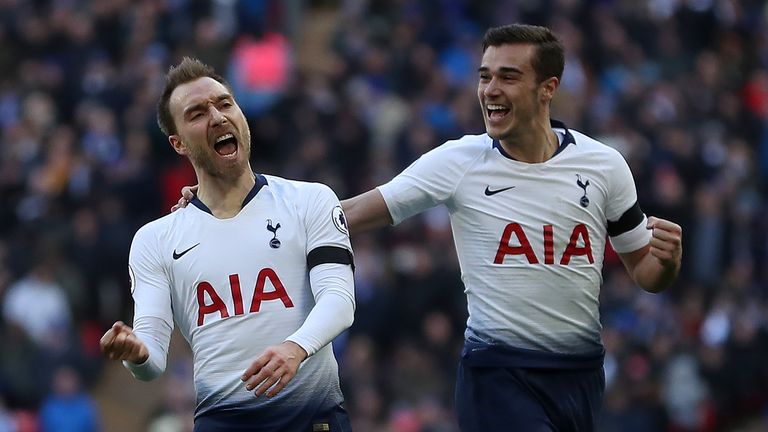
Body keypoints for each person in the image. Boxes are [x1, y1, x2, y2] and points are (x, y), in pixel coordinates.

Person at [176, 24, 683, 431]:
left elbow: (645, 270)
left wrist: (668, 260)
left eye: (507, 77)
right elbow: (345, 215)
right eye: (484, 76)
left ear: (548, 88)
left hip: (581, 375)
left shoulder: (604, 166)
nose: (490, 90)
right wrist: (229, 207)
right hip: (497, 373)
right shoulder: (460, 161)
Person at [101, 57, 356, 432]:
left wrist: (295, 348)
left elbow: (340, 300)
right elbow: (151, 361)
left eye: (224, 103)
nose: (218, 117)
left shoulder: (310, 201)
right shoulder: (155, 240)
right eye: (197, 113)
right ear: (178, 143)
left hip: (313, 418)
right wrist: (136, 354)